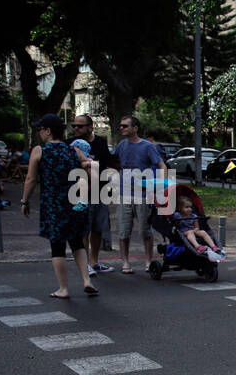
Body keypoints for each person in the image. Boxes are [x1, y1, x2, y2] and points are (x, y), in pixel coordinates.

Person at [21, 113, 97, 299]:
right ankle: (87, 280)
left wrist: (24, 200)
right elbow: (89, 167)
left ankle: (63, 288)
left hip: (53, 203)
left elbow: (31, 179)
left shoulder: (40, 151)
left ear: (48, 130)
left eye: (40, 129)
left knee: (57, 247)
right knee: (77, 242)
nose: (39, 133)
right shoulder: (74, 150)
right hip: (74, 202)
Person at [113, 114, 166, 274]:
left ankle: (149, 261)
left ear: (135, 128)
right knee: (123, 230)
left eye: (125, 126)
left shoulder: (147, 146)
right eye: (121, 126)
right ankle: (125, 262)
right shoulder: (121, 145)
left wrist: (160, 185)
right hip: (124, 193)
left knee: (145, 229)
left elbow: (161, 165)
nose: (121, 128)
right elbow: (114, 162)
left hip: (143, 193)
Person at [71, 115, 115, 273]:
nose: (76, 128)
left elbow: (106, 166)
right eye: (74, 125)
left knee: (98, 228)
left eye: (80, 126)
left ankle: (94, 261)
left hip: (99, 191)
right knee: (84, 229)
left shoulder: (100, 143)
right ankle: (85, 265)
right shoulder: (72, 144)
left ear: (90, 127)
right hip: (79, 191)